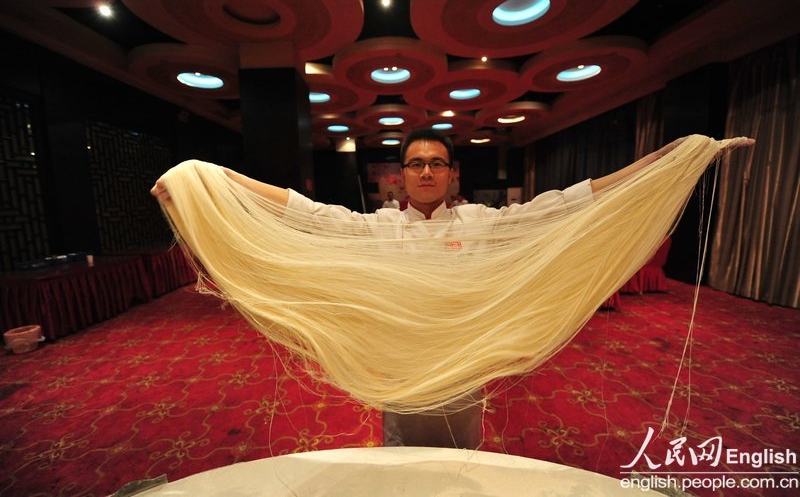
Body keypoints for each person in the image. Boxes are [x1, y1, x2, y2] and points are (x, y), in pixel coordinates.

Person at [151, 129, 753, 449]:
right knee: (400, 453)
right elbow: (303, 213)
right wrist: (209, 179)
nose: (427, 172)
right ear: (401, 175)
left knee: (459, 456)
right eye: (416, 164)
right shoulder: (375, 227)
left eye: (437, 163)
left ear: (453, 173)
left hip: (463, 366)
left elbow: (568, 206)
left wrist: (673, 161)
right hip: (398, 367)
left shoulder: (485, 224)